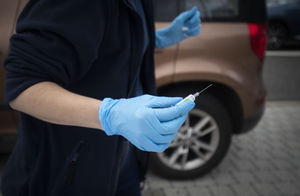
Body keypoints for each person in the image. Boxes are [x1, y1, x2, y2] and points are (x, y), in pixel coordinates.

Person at [1, 0, 201, 195]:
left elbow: (105, 40)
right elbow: (22, 86)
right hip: (67, 176)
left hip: (120, 163)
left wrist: (156, 38)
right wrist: (109, 115)